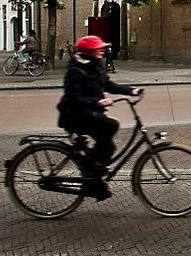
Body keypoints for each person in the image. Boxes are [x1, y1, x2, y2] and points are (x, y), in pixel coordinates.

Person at [56, 35, 141, 201]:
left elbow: (109, 85)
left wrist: (131, 90)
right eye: (98, 48)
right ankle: (92, 170)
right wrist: (98, 101)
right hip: (74, 115)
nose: (103, 50)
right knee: (109, 127)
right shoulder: (76, 70)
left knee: (108, 140)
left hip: (88, 113)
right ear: (88, 51)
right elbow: (73, 98)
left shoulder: (95, 66)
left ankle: (93, 171)